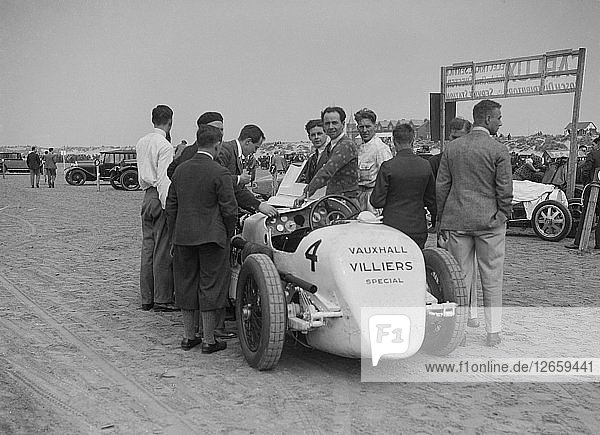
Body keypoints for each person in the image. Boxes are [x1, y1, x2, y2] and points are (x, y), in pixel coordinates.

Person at [436, 99, 513, 347]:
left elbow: (442, 186)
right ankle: (493, 332)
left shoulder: (453, 148)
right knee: (492, 277)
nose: (500, 122)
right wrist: (503, 214)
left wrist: (442, 217)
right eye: (499, 118)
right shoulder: (498, 150)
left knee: (460, 279)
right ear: (488, 119)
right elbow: (505, 189)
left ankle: (461, 332)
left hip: (457, 220)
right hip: (490, 222)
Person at [166, 125, 237, 353]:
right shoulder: (220, 172)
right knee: (210, 285)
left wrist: (174, 234)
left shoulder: (180, 170)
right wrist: (227, 233)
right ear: (217, 145)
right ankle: (208, 340)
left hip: (183, 237)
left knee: (185, 284)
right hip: (212, 238)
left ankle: (189, 337)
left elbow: (171, 207)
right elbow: (230, 210)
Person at [370, 123, 435, 249]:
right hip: (418, 226)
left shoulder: (388, 167)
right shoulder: (425, 165)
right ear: (413, 140)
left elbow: (376, 201)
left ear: (394, 141)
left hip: (392, 227)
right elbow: (431, 199)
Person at [136, 105, 176, 312]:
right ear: (170, 122)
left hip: (146, 197)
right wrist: (167, 206)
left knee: (148, 248)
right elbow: (163, 180)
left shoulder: (142, 142)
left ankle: (146, 298)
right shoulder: (166, 146)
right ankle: (162, 298)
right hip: (158, 197)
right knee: (162, 250)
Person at [295, 106, 358, 206]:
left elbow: (327, 171)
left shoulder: (345, 145)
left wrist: (306, 192)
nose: (331, 127)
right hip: (335, 199)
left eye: (335, 123)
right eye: (327, 123)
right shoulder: (332, 145)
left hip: (345, 201)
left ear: (343, 124)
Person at [354, 108, 393, 214]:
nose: (364, 130)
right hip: (359, 197)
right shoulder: (360, 148)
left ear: (374, 127)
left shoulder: (380, 148)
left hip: (373, 198)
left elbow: (389, 177)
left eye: (368, 126)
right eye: (361, 127)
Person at [566, 136, 600, 250]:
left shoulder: (593, 154)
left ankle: (579, 242)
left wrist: (587, 185)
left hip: (592, 189)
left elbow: (585, 172)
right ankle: (599, 243)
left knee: (585, 215)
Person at [167, 112, 224, 179]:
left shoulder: (187, 150)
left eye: (222, 129)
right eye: (215, 129)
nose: (221, 133)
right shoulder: (191, 152)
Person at [298, 119, 330, 184]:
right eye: (313, 135)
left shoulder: (334, 154)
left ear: (326, 134)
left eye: (319, 134)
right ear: (309, 137)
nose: (316, 137)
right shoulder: (311, 159)